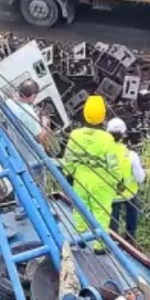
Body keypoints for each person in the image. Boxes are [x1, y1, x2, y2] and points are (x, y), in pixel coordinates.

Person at [62, 96, 123, 235]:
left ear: (85, 114)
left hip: (80, 178)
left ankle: (81, 236)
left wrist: (68, 174)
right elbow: (113, 164)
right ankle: (99, 244)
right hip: (102, 181)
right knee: (101, 213)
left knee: (80, 209)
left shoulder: (75, 134)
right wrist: (118, 180)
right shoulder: (107, 138)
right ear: (103, 116)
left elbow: (68, 159)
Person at [106, 117, 146, 240]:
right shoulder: (131, 155)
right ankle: (130, 237)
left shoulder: (103, 153)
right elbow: (140, 178)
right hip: (129, 194)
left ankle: (113, 239)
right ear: (124, 135)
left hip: (111, 195)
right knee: (133, 208)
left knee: (112, 222)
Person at [5, 80, 49, 147]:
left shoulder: (9, 102)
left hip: (13, 144)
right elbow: (39, 139)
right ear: (33, 96)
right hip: (29, 151)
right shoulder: (29, 113)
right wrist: (45, 123)